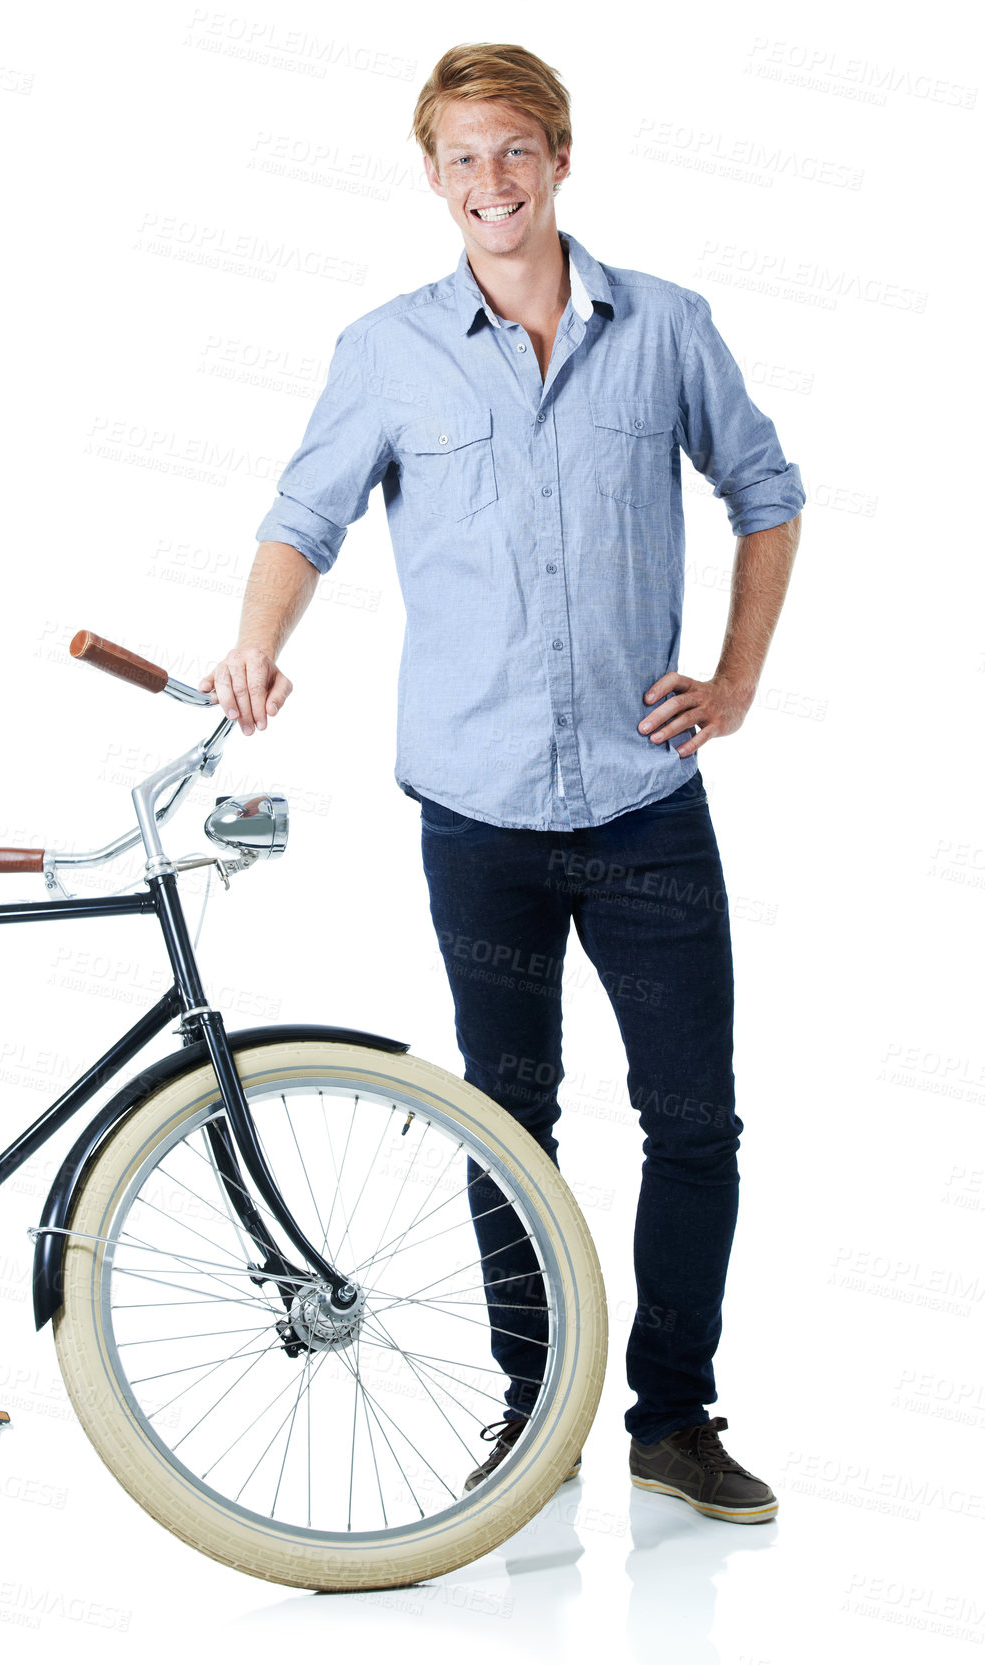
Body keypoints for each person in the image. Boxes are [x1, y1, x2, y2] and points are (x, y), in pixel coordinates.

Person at [199, 41, 803, 1526]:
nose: (491, 182)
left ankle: (674, 1418)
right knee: (505, 1123)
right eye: (462, 157)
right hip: (477, 815)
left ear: (561, 157)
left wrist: (734, 682)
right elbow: (303, 519)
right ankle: (529, 1427)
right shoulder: (387, 349)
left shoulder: (667, 327)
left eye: (515, 150)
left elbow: (768, 495)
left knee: (695, 1122)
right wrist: (256, 643)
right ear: (432, 176)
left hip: (645, 799)